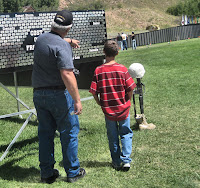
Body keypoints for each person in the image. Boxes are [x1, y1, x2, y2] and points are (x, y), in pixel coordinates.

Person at [32, 10, 86, 184]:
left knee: (45, 134)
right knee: (69, 132)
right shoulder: (62, 46)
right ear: (68, 28)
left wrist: (68, 41)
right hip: (58, 95)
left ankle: (47, 173)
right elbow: (67, 73)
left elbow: (54, 41)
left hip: (39, 94)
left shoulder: (40, 39)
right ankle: (73, 172)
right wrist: (77, 100)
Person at [89, 40, 136, 171]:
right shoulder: (122, 69)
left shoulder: (99, 70)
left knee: (112, 136)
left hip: (108, 110)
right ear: (117, 52)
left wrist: (99, 102)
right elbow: (130, 87)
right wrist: (128, 100)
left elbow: (94, 90)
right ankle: (126, 160)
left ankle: (116, 161)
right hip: (123, 108)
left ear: (104, 52)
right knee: (126, 133)